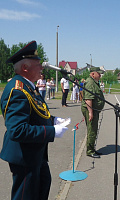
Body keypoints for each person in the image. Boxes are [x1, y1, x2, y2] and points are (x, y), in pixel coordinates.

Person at [0, 41, 70, 200]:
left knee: (43, 186)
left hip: (35, 154)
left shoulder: (29, 86)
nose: (42, 67)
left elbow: (35, 113)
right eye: (38, 63)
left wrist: (52, 120)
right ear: (25, 68)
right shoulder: (18, 90)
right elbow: (17, 130)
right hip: (24, 156)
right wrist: (52, 131)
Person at [81, 67, 105, 158]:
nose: (100, 75)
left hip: (93, 109)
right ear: (93, 74)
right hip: (89, 109)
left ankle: (92, 149)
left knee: (94, 129)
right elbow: (88, 99)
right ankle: (90, 151)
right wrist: (90, 112)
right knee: (92, 130)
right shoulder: (90, 83)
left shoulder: (94, 82)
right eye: (99, 73)